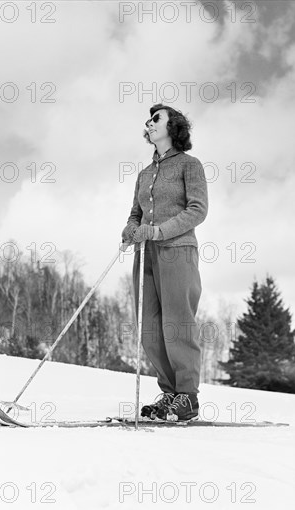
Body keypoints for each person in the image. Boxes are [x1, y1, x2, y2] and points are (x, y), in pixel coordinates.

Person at [121, 104, 208, 421]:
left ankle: (187, 396)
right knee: (148, 328)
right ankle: (170, 393)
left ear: (174, 127)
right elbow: (135, 213)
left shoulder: (190, 166)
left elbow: (197, 210)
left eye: (157, 118)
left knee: (177, 323)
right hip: (145, 254)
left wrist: (159, 230)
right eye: (148, 119)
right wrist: (131, 228)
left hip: (178, 251)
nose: (149, 122)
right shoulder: (145, 174)